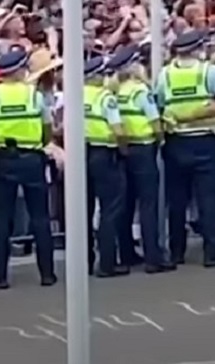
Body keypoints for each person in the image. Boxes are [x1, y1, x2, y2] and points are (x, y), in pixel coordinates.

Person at [0, 50, 58, 288]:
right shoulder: (34, 95)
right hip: (32, 157)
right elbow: (47, 127)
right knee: (40, 217)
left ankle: (0, 275)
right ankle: (47, 273)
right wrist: (39, 144)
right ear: (22, 70)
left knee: (0, 218)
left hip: (2, 159)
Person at [156, 30, 215, 267]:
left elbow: (160, 103)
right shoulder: (208, 72)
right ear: (199, 48)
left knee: (177, 200)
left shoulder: (165, 74)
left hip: (176, 142)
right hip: (205, 140)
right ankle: (212, 252)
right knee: (208, 199)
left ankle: (177, 251)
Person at [108, 45, 173, 273]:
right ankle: (153, 257)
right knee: (148, 204)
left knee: (125, 204)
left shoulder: (115, 92)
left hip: (123, 150)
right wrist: (162, 138)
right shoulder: (140, 91)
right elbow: (155, 122)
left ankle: (126, 253)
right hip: (144, 149)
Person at [82, 55, 130, 277]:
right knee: (109, 210)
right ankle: (107, 263)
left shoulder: (77, 95)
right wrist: (124, 150)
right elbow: (118, 130)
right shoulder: (105, 97)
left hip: (82, 154)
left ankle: (85, 261)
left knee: (84, 210)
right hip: (104, 154)